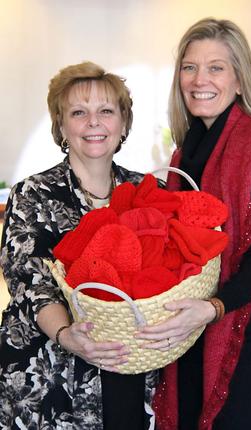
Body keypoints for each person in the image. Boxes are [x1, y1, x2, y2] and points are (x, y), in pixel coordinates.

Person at [136, 18, 251, 430]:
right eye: (189, 67)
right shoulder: (182, 155)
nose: (199, 79)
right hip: (188, 350)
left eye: (216, 67)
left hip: (250, 357)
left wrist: (211, 309)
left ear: (240, 80)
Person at [0, 62, 156, 429]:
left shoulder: (148, 193)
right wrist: (67, 335)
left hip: (130, 367)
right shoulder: (33, 194)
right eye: (78, 112)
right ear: (62, 125)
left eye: (105, 111)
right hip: (51, 373)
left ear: (123, 122)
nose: (93, 123)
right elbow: (28, 282)